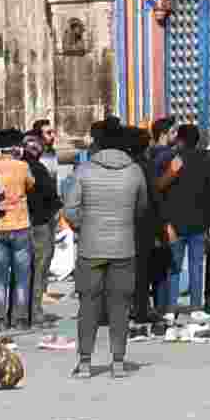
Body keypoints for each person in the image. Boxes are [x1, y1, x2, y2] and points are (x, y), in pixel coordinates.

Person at [67, 122, 151, 377]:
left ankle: (84, 362)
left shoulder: (84, 171)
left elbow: (70, 209)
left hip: (90, 248)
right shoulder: (134, 171)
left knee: (88, 305)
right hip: (124, 247)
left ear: (97, 143)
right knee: (120, 305)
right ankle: (117, 361)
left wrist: (84, 226)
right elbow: (142, 207)